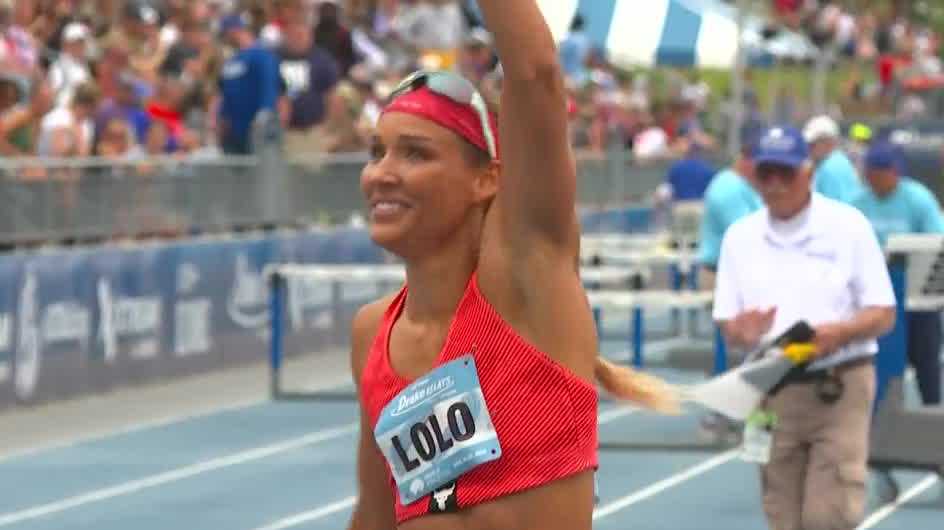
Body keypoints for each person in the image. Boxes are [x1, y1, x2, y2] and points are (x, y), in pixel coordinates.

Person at [346, 2, 677, 529]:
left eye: (414, 154)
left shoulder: (526, 282)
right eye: (376, 152)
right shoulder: (372, 333)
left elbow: (536, 73)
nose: (381, 174)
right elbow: (375, 514)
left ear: (488, 179)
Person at [713, 125, 897, 530]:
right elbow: (728, 322)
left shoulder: (848, 226)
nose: (776, 185)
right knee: (783, 516)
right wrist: (741, 332)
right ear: (754, 176)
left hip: (840, 384)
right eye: (766, 174)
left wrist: (841, 332)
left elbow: (884, 313)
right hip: (772, 389)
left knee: (828, 516)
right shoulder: (739, 238)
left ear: (808, 173)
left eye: (786, 173)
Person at [851, 141, 944, 405]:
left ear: (896, 173)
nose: (879, 181)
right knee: (880, 356)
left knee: (926, 353)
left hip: (915, 289)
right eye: (873, 175)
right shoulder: (858, 203)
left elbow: (937, 238)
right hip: (875, 292)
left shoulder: (917, 197)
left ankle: (931, 408)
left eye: (885, 174)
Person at [803, 115, 864, 203]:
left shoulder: (830, 167)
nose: (809, 148)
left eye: (813, 144)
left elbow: (831, 206)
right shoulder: (837, 162)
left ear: (830, 142)